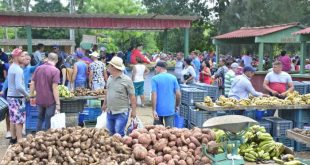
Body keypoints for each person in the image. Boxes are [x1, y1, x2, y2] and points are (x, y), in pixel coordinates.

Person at [102, 56, 136, 136]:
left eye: (109, 65)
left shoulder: (127, 80)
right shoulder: (110, 78)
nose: (108, 67)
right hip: (110, 111)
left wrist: (134, 111)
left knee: (119, 134)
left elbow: (132, 96)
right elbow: (108, 92)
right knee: (110, 133)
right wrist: (104, 104)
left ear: (114, 67)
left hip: (121, 112)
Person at [30, 53, 60, 131]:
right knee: (48, 121)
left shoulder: (38, 68)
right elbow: (55, 88)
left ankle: (37, 137)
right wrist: (58, 103)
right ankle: (47, 139)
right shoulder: (56, 70)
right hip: (50, 101)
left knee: (40, 119)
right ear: (56, 60)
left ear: (48, 58)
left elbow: (32, 83)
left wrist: (31, 96)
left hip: (39, 99)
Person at [7, 48, 29, 143]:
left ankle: (13, 138)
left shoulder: (12, 66)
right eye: (22, 56)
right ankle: (20, 139)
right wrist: (27, 95)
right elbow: (19, 86)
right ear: (16, 57)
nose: (24, 57)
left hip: (11, 96)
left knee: (13, 119)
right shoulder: (18, 70)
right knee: (19, 120)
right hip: (17, 98)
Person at [151, 61, 181, 127]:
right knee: (170, 132)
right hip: (170, 108)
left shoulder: (154, 79)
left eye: (156, 68)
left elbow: (154, 95)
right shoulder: (173, 78)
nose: (155, 69)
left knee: (158, 132)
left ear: (159, 68)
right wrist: (177, 105)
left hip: (158, 109)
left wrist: (154, 110)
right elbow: (178, 94)